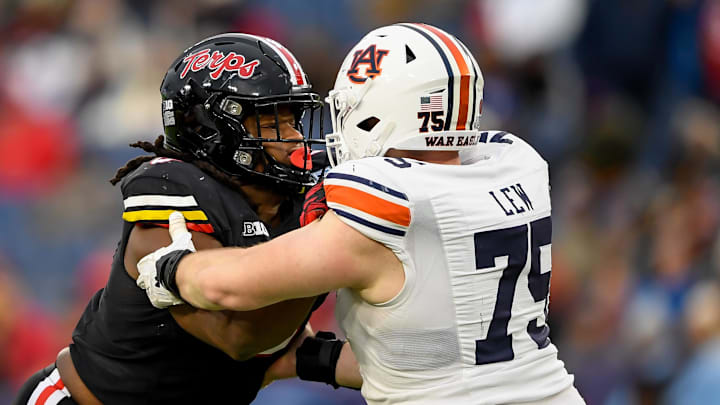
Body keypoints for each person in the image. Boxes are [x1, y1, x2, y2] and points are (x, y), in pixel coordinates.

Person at [139, 23, 585, 404]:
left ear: (381, 112)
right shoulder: (511, 166)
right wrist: (314, 360)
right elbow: (434, 357)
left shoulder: (388, 205)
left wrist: (173, 268)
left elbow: (232, 288)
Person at [13, 33, 328, 405]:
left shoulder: (288, 209)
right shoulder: (173, 196)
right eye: (274, 122)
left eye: (294, 120)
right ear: (211, 127)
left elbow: (283, 347)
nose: (294, 139)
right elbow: (239, 336)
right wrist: (325, 240)